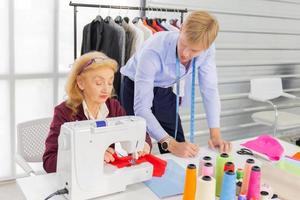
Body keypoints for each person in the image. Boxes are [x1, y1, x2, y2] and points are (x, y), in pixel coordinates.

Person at [121, 11, 231, 158]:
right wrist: (170, 144)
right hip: (134, 87)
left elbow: (209, 90)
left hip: (164, 89)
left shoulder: (208, 50)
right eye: (184, 44)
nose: (185, 54)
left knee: (181, 148)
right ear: (182, 28)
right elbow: (141, 108)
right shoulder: (153, 50)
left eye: (194, 50)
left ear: (206, 46)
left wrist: (215, 134)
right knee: (137, 146)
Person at [43, 51, 152, 173]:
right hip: (79, 178)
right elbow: (49, 162)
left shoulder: (113, 107)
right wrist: (91, 156)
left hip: (103, 176)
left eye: (110, 82)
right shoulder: (64, 113)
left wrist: (145, 144)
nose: (106, 89)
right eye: (99, 83)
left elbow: (135, 130)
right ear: (80, 83)